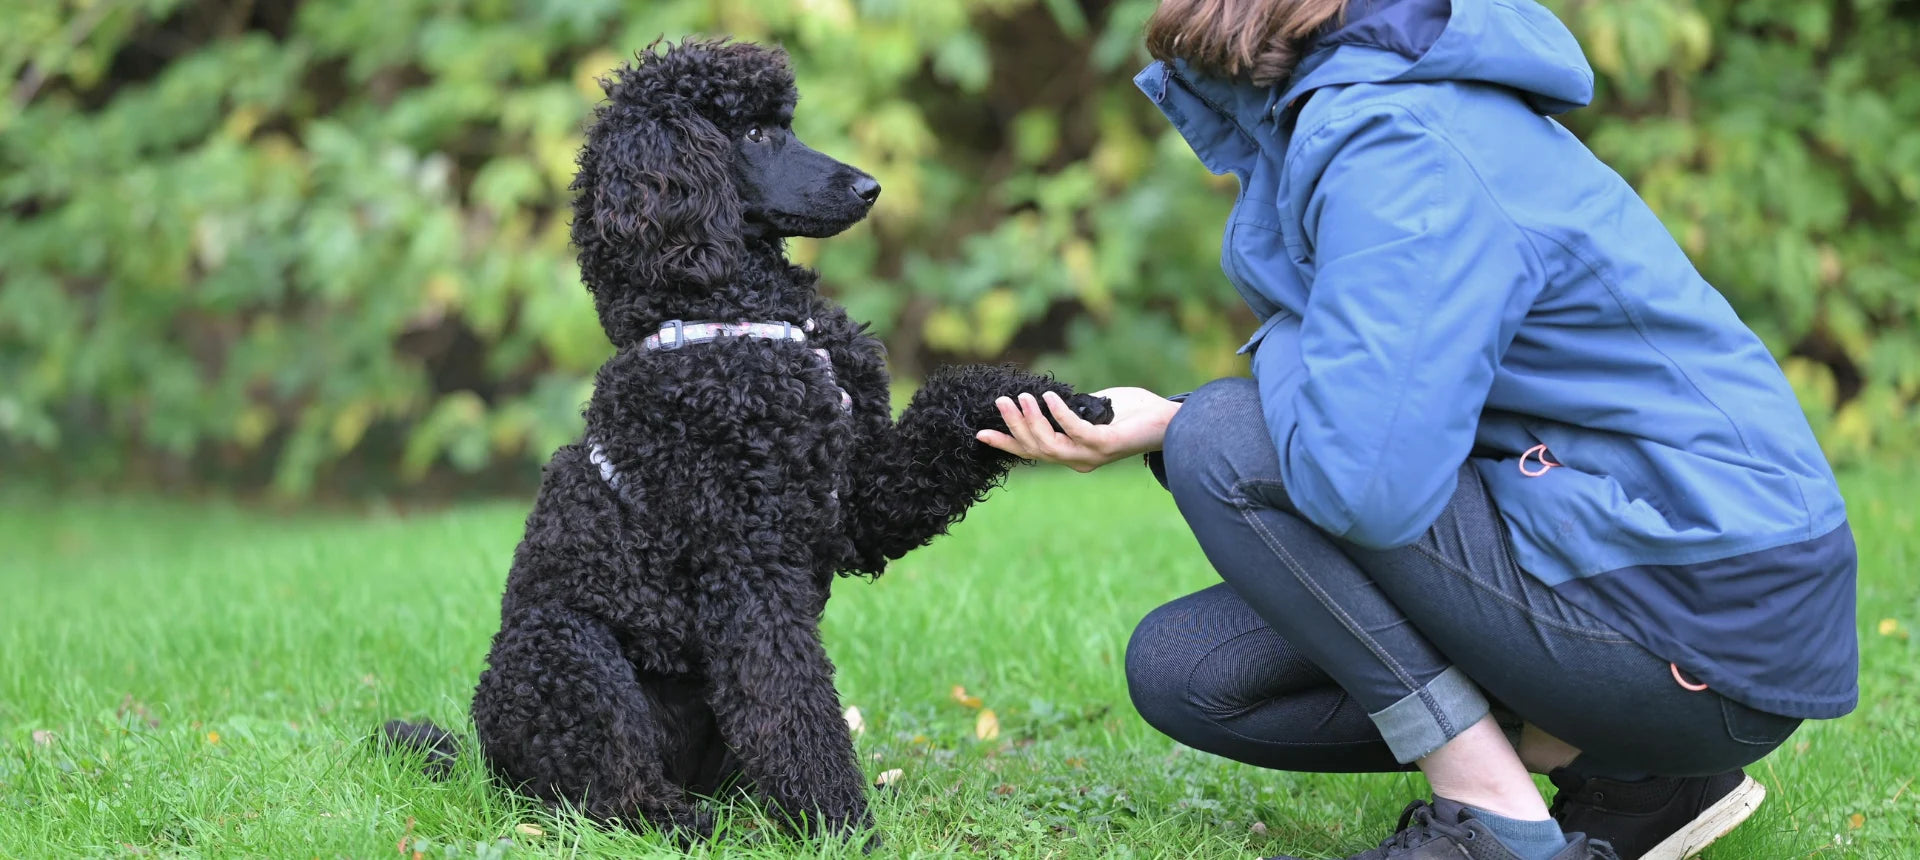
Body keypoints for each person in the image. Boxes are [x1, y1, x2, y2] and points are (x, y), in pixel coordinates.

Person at [975, 0, 1859, 858]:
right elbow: (1393, 414)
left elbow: (1363, 488)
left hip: (1702, 608)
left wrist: (1246, 372)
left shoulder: (1402, 140)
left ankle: (1497, 823)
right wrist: (1168, 421)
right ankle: (1644, 780)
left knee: (1221, 438)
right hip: (1642, 561)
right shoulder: (1356, 104)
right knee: (1193, 671)